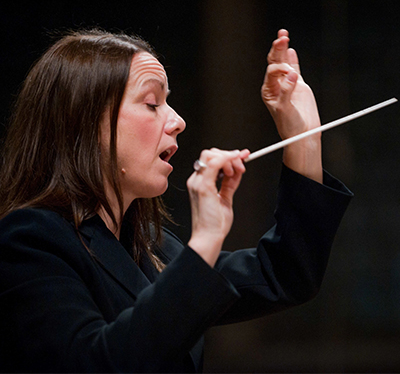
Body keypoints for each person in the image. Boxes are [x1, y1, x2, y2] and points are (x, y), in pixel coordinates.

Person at [0, 28, 352, 373]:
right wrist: (204, 242)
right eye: (152, 103)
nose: (178, 121)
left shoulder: (150, 245)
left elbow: (284, 274)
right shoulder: (29, 241)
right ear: (84, 122)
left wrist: (304, 137)